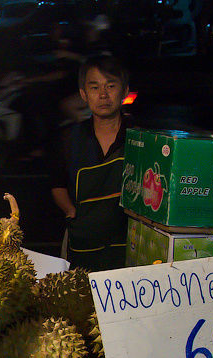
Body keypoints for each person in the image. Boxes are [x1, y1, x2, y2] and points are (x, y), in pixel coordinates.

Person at [49, 54, 130, 271]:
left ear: (124, 91)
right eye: (95, 88)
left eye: (111, 86)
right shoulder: (69, 138)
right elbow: (57, 185)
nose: (103, 94)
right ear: (84, 94)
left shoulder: (139, 137)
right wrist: (70, 211)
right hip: (82, 243)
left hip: (128, 244)